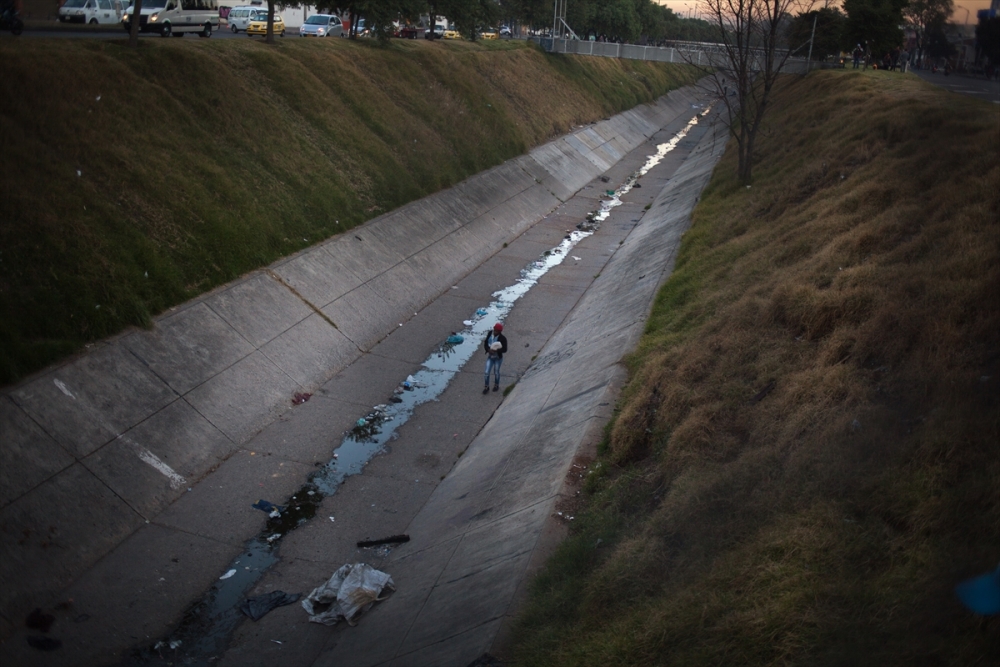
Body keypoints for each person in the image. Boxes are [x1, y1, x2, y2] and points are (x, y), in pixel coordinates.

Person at [482, 323, 508, 394]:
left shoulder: (503, 339)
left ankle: (496, 385)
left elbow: (505, 349)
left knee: (496, 372)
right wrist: (488, 349)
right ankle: (486, 386)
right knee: (486, 372)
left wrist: (496, 350)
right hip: (490, 357)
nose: (495, 332)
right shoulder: (490, 334)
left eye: (497, 331)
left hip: (498, 358)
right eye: (494, 330)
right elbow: (486, 343)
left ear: (500, 332)